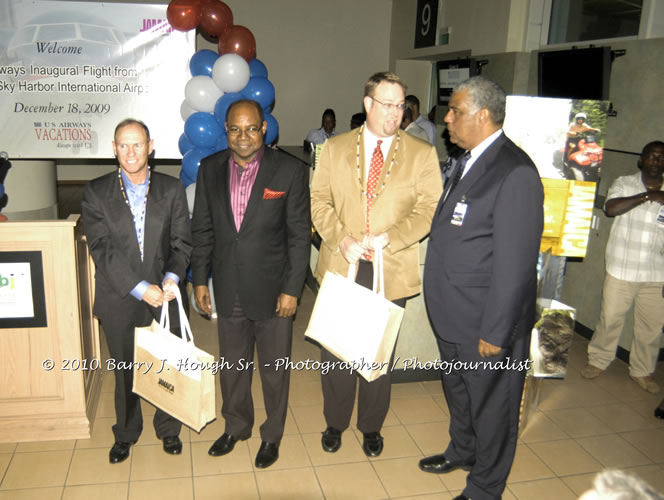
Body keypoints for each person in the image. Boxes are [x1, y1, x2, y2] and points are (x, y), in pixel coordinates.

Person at [420, 76, 544, 500]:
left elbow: (516, 265)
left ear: (483, 115)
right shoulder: (467, 159)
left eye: (455, 111)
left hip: (486, 324)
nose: (447, 119)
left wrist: (496, 331)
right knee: (458, 392)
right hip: (453, 312)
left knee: (494, 407)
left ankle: (486, 488)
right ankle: (463, 450)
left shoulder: (515, 172)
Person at [311, 72, 442, 458]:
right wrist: (342, 238)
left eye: (400, 105)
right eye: (387, 104)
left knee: (377, 353)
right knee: (336, 351)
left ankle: (371, 426)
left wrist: (394, 238)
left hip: (390, 266)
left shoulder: (421, 153)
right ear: (368, 104)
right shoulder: (334, 149)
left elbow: (429, 208)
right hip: (343, 261)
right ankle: (335, 422)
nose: (395, 113)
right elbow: (318, 201)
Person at [191, 99, 311, 469]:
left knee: (274, 370)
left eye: (251, 129)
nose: (243, 137)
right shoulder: (209, 169)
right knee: (232, 366)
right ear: (225, 130)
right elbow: (203, 230)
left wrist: (292, 289)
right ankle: (236, 426)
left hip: (275, 291)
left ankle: (271, 435)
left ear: (264, 129)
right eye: (234, 129)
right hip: (228, 286)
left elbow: (298, 236)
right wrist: (199, 280)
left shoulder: (289, 171)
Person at [82, 118, 192, 464]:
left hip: (166, 295)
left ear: (151, 146)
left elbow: (181, 243)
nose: (131, 152)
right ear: (114, 149)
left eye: (138, 144)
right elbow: (101, 248)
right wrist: (140, 288)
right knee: (125, 368)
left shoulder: (170, 189)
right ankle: (127, 431)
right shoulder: (96, 191)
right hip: (119, 296)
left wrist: (172, 278)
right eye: (123, 145)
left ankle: (168, 427)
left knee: (165, 365)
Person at [581, 141, 664, 394]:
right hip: (622, 268)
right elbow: (610, 208)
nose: (656, 161)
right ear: (641, 160)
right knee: (611, 319)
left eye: (661, 157)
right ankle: (598, 361)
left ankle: (641, 371)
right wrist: (648, 196)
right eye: (651, 156)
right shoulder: (624, 182)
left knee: (651, 327)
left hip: (657, 273)